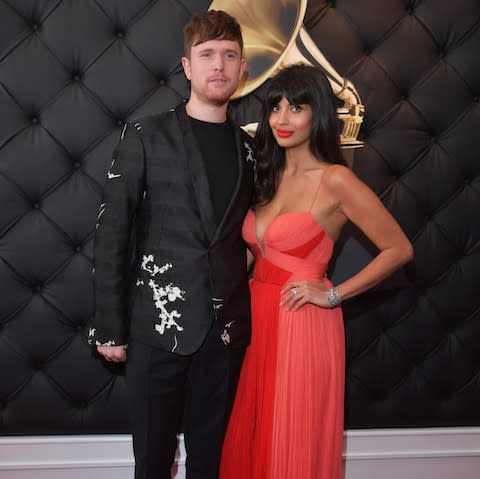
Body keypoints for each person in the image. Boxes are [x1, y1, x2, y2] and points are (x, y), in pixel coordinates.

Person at [219, 63, 414, 479]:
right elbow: (254, 254)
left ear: (318, 113)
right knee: (257, 436)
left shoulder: (336, 179)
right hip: (257, 319)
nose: (282, 119)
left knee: (294, 440)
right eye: (275, 108)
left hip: (302, 322)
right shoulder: (265, 176)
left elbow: (398, 248)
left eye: (297, 107)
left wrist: (332, 294)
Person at [88, 10, 255, 479]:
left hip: (224, 336)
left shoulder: (249, 149)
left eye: (229, 55)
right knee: (153, 464)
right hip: (154, 328)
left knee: (211, 465)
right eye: (207, 55)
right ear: (187, 66)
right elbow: (112, 232)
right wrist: (110, 326)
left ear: (243, 69)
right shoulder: (145, 134)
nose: (218, 65)